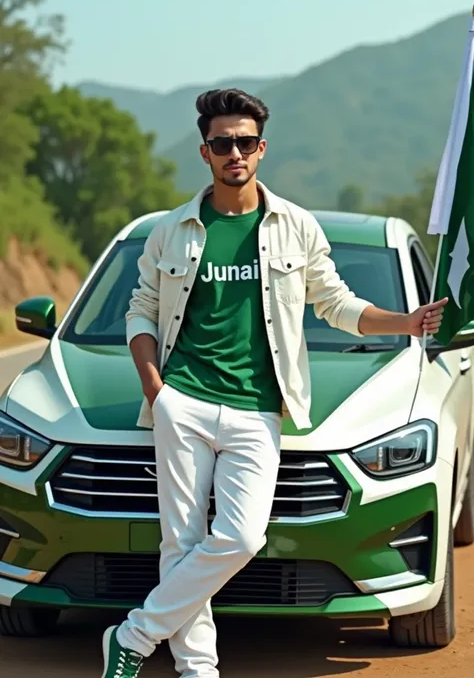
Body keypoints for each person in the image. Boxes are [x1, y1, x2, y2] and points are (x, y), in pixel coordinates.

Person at [100, 88, 447, 678]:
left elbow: (336, 305)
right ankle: (197, 670)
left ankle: (132, 635)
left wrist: (407, 323)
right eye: (221, 143)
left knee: (240, 538)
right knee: (181, 545)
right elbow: (142, 309)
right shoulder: (171, 230)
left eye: (243, 142)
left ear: (261, 148)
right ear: (204, 152)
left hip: (258, 408)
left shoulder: (295, 226)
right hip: (181, 400)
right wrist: (155, 386)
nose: (233, 152)